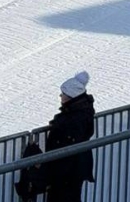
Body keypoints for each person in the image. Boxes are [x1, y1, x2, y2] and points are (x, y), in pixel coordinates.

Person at [45, 72, 96, 202]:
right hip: (72, 167)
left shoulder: (76, 116)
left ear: (70, 96)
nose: (60, 96)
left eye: (63, 93)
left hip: (68, 169)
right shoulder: (81, 109)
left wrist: (57, 125)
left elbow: (69, 139)